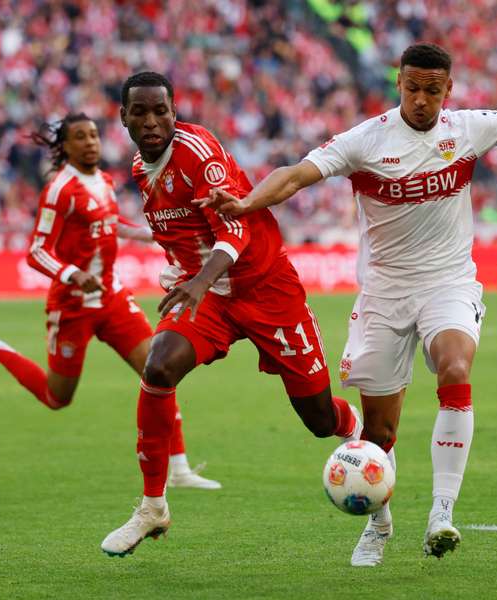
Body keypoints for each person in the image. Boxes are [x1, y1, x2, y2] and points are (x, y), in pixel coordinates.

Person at [199, 42, 497, 566]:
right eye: (412, 88)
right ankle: (379, 525)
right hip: (383, 292)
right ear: (398, 85)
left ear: (448, 90)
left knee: (454, 366)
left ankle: (441, 515)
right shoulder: (365, 141)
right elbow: (294, 174)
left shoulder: (468, 129)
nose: (421, 99)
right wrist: (245, 202)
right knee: (378, 431)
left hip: (449, 282)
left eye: (432, 89)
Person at [100, 72, 361, 557]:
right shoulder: (141, 167)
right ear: (124, 117)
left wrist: (198, 280)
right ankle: (153, 506)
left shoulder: (198, 153)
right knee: (158, 366)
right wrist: (183, 272)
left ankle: (358, 434)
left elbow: (235, 230)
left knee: (319, 419)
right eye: (141, 112)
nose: (153, 121)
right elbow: (179, 230)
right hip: (211, 300)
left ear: (176, 111)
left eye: (162, 110)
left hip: (265, 288)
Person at [0, 114, 220, 490]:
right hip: (72, 304)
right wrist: (73, 275)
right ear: (66, 146)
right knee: (57, 397)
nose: (91, 142)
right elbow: (36, 252)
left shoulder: (104, 181)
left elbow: (113, 223)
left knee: (158, 370)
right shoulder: (59, 190)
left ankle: (180, 469)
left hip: (112, 298)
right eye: (80, 136)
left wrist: (157, 233)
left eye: (93, 134)